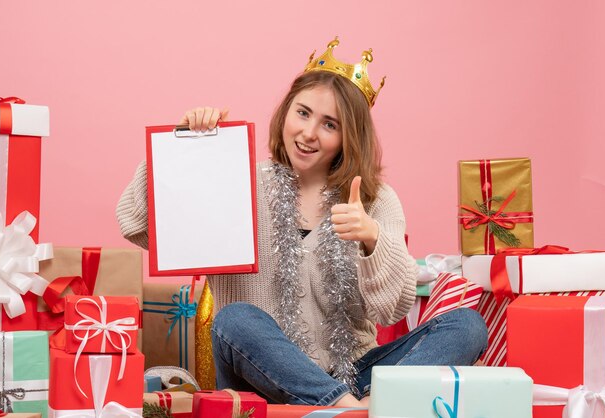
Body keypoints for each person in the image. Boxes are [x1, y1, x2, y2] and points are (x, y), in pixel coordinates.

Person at [117, 38, 487, 407]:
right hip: (259, 378)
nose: (309, 133)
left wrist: (372, 238)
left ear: (348, 137)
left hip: (357, 373)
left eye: (330, 125)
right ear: (286, 112)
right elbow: (137, 223)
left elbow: (393, 309)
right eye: (303, 113)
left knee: (467, 326)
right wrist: (182, 150)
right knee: (235, 319)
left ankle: (370, 403)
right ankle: (352, 410)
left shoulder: (375, 200)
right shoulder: (236, 182)